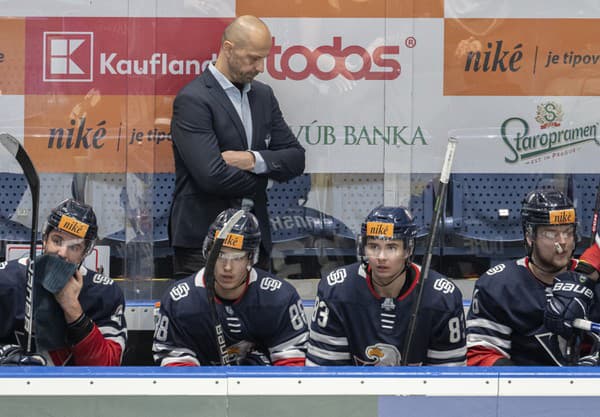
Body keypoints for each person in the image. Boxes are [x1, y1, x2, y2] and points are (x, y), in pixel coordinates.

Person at [169, 15, 306, 278]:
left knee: (256, 317)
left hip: (254, 242)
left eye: (264, 57)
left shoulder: (263, 95)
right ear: (228, 49)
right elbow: (211, 175)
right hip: (202, 243)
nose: (261, 67)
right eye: (253, 58)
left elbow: (295, 158)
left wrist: (252, 160)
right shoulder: (193, 99)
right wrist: (265, 183)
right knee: (202, 318)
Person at [305, 206, 467, 366]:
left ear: (408, 250)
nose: (381, 257)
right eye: (374, 246)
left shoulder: (442, 298)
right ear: (363, 247)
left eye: (391, 247)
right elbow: (324, 376)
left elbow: (447, 381)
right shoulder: (336, 291)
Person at [153, 209, 308, 366]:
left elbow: (293, 370)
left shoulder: (280, 298)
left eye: (237, 257)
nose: (227, 267)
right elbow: (176, 371)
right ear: (207, 253)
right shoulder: (180, 301)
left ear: (251, 258)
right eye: (220, 255)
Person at [466, 189, 600, 366]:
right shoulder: (499, 285)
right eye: (551, 234)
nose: (563, 242)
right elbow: (481, 354)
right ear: (530, 236)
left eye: (568, 232)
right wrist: (525, 383)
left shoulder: (594, 283)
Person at [0, 199, 127, 366]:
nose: (62, 253)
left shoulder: (104, 293)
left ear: (85, 253)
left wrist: (73, 309)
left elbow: (107, 366)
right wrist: (5, 353)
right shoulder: (6, 280)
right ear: (45, 239)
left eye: (74, 247)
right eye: (57, 240)